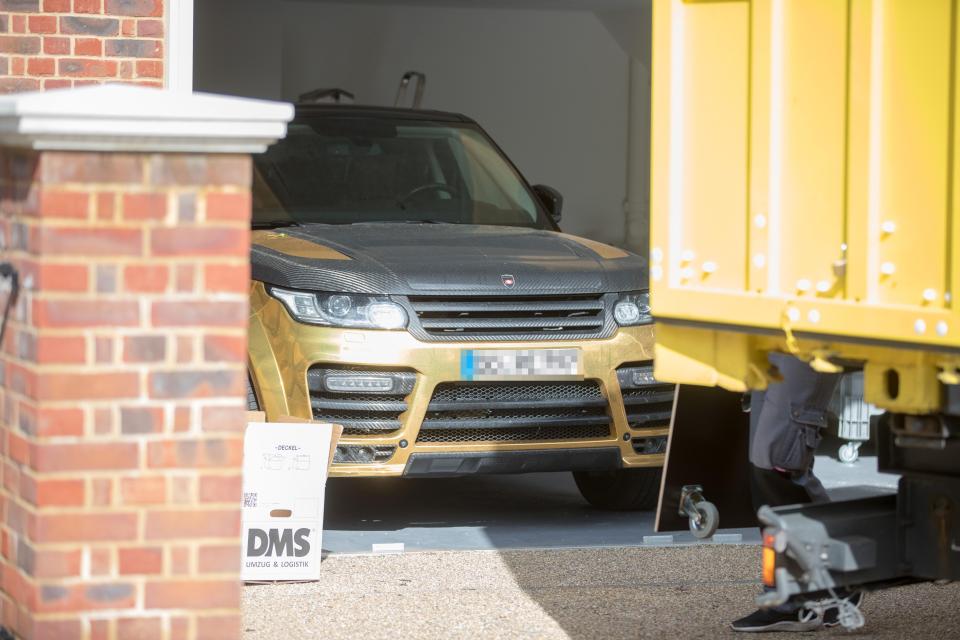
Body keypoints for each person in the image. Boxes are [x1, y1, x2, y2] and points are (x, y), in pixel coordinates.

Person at [731, 353, 862, 632]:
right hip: (764, 334)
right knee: (762, 469)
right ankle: (787, 599)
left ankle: (841, 572)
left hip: (806, 337)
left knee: (778, 463)